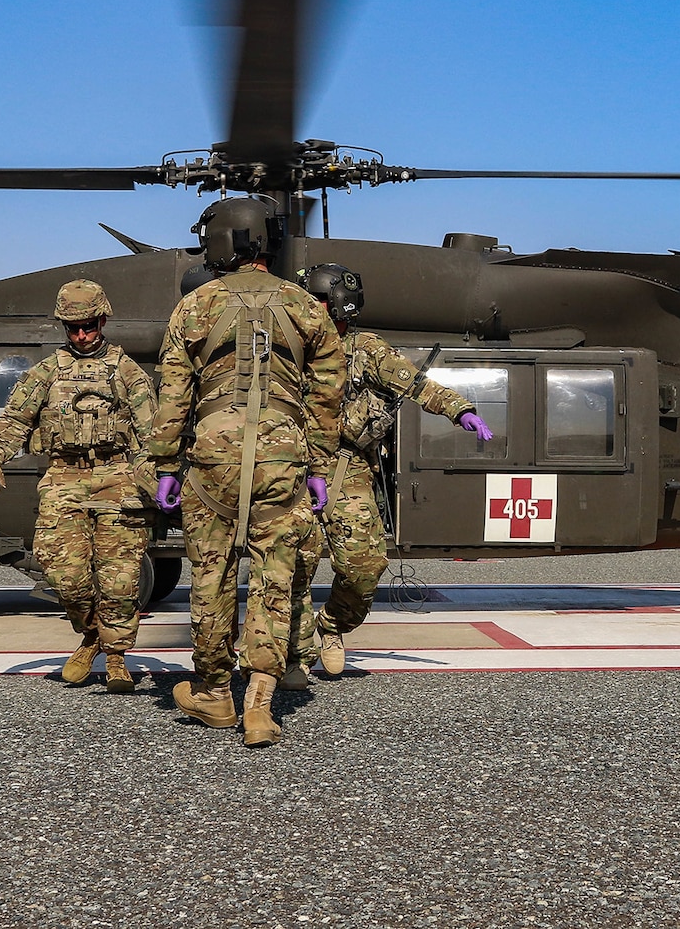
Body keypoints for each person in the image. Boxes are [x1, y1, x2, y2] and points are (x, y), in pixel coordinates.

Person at [149, 197, 343, 746]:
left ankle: (214, 691)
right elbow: (327, 398)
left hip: (213, 456)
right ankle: (260, 702)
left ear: (223, 243)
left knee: (210, 574)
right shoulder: (308, 309)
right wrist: (321, 468)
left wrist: (165, 464)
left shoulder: (195, 306)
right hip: (284, 455)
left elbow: (173, 396)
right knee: (274, 575)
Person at [291, 263, 492, 681]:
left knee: (364, 567)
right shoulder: (285, 347)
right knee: (291, 567)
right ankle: (294, 646)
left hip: (347, 471)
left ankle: (330, 627)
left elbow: (416, 384)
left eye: (321, 301)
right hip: (292, 471)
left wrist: (460, 410)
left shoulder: (366, 349)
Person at [0, 279, 157, 694]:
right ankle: (91, 634)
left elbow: (153, 434)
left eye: (89, 325)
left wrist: (159, 479)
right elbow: (14, 420)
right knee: (64, 577)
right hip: (63, 478)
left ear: (103, 320)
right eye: (73, 327)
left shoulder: (126, 371)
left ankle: (116, 657)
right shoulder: (46, 371)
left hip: (117, 479)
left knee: (120, 579)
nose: (81, 335)